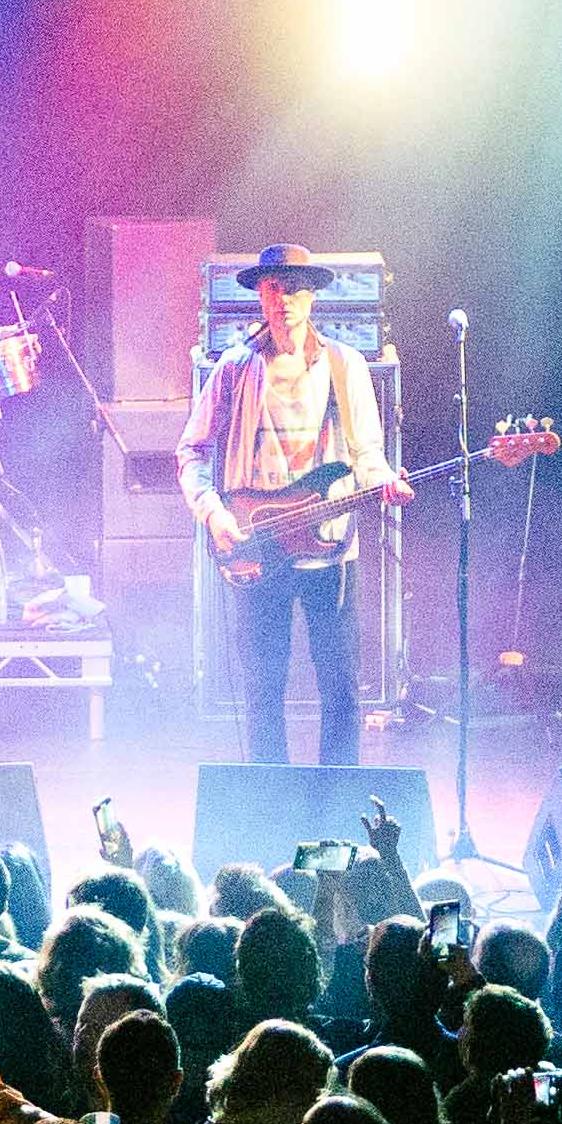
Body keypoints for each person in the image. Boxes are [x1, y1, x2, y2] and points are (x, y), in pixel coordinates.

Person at [180, 243, 405, 766]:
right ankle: (268, 803)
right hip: (255, 548)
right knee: (263, 690)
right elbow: (190, 450)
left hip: (329, 550)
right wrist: (214, 513)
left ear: (312, 298)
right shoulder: (235, 369)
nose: (284, 300)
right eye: (274, 287)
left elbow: (367, 453)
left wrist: (386, 481)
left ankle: (340, 805)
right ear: (261, 295)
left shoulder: (344, 365)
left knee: (341, 688)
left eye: (294, 289)